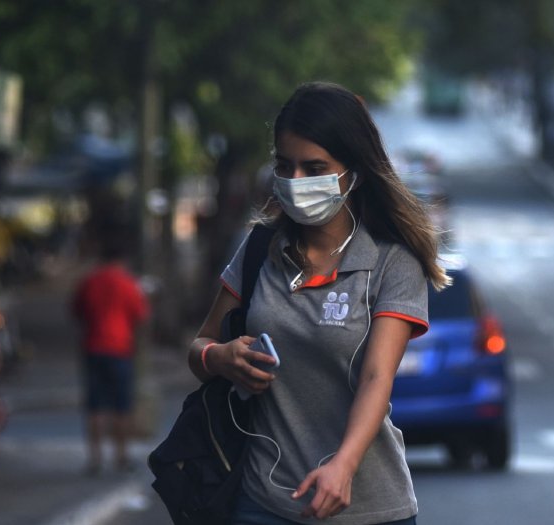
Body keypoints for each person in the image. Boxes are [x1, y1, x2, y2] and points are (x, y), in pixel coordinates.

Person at [188, 81, 450, 525]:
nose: (296, 182)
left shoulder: (392, 261)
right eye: (285, 166)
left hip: (368, 508)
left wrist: (343, 467)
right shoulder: (259, 249)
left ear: (356, 172)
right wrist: (220, 358)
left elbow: (376, 377)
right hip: (261, 502)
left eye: (314, 168)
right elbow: (200, 347)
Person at [72, 239, 149, 474]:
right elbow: (140, 316)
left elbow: (77, 311)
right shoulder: (128, 283)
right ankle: (121, 456)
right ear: (122, 260)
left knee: (95, 405)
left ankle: (95, 459)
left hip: (93, 347)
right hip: (119, 349)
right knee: (121, 405)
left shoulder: (90, 281)